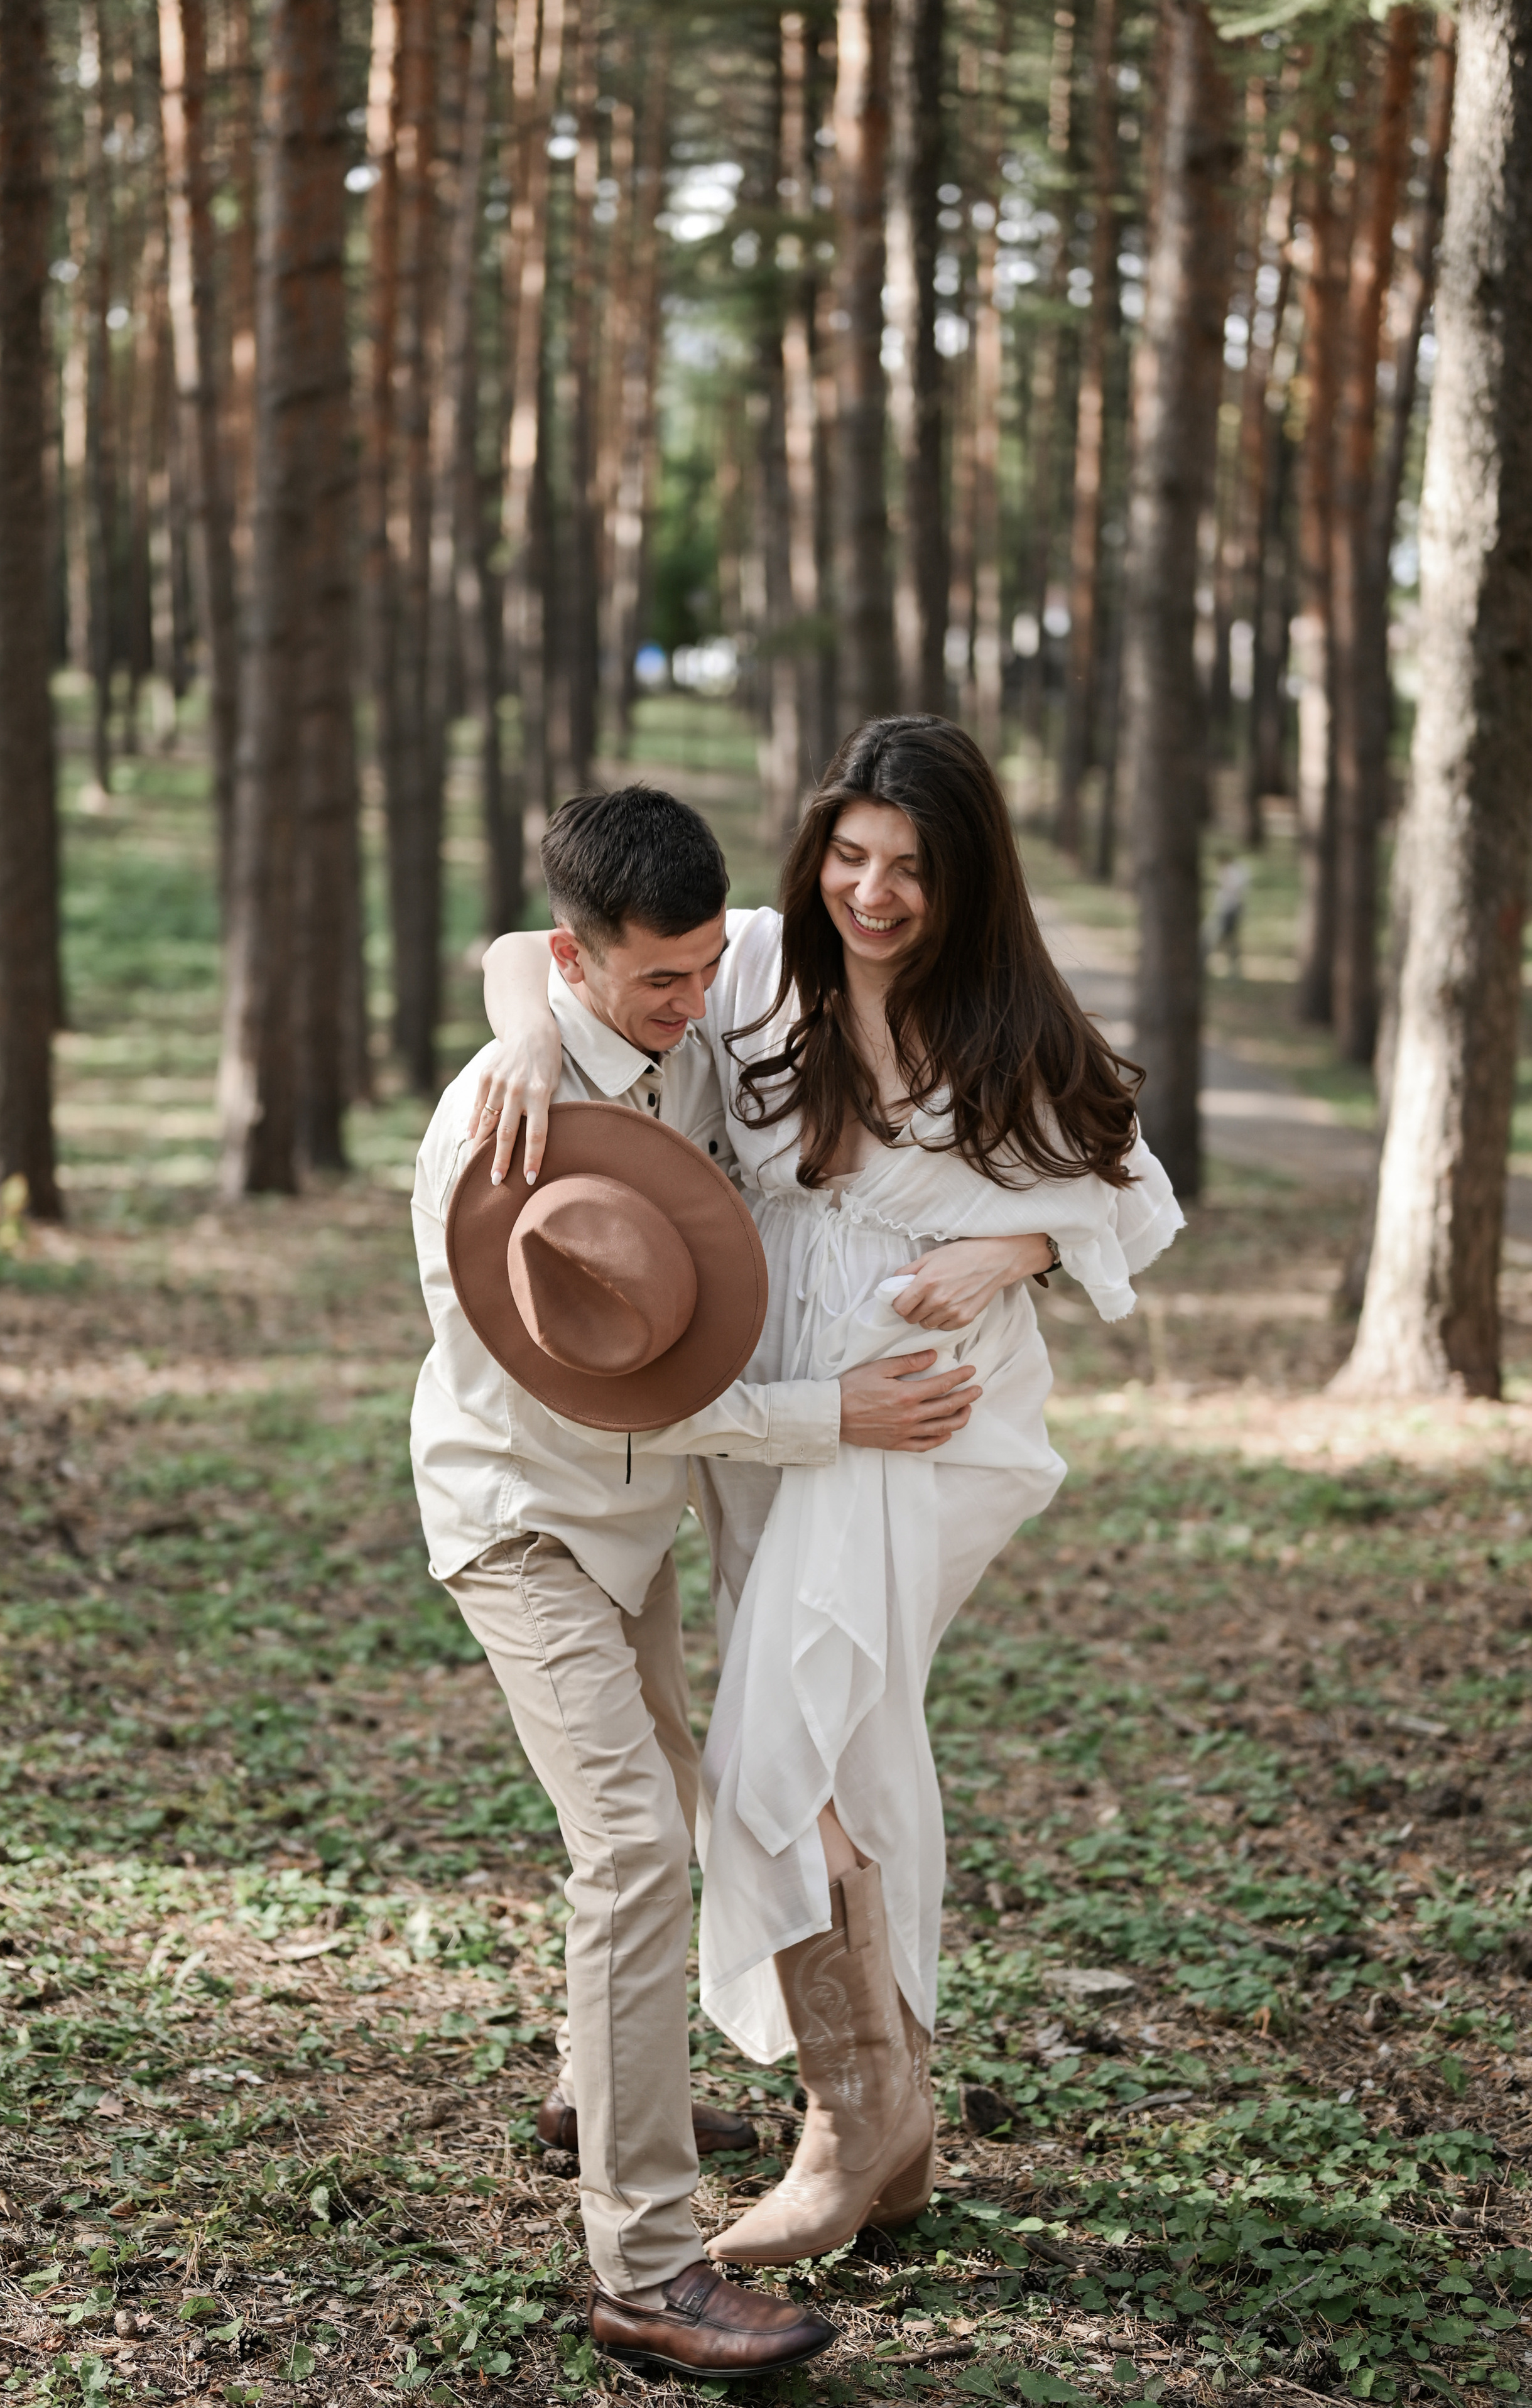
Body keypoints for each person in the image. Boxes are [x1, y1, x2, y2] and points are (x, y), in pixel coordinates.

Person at [479, 719, 1183, 2272]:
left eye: (909, 868)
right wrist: (530, 1040)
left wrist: (1023, 1245)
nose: (872, 892)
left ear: (962, 879)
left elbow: (1142, 1194)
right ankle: (897, 2119)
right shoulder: (749, 962)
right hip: (781, 1402)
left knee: (776, 1740)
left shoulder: (1004, 1015)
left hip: (928, 1415)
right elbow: (530, 950)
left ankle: (847, 2118)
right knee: (850, 1731)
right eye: (850, 855)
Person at [410, 784, 984, 2378]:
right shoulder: (494, 1140)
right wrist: (836, 1417)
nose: (695, 1004)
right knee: (638, 1841)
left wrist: (1015, 1248)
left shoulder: (653, 1015)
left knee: (676, 1795)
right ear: (583, 966)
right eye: (659, 982)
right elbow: (617, 1395)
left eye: (696, 968)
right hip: (523, 1519)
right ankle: (646, 2270)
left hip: (631, 1525)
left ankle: (596, 2086)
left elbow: (513, 944)